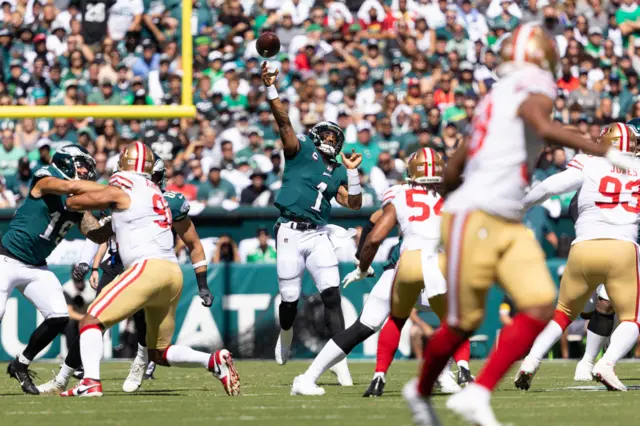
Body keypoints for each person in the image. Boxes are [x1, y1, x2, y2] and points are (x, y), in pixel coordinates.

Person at [404, 23, 640, 426]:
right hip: (478, 215)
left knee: (539, 306)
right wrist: (603, 151)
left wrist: (448, 196)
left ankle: (477, 394)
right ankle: (420, 390)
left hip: (503, 217)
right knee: (466, 322)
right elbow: (542, 125)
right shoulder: (535, 85)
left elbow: (457, 161)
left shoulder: (490, 100)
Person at [59, 143, 239, 397]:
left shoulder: (125, 186)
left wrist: (64, 194)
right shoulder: (153, 192)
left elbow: (82, 201)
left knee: (91, 321)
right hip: (172, 273)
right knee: (160, 352)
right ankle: (213, 362)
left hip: (146, 268)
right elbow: (101, 231)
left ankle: (90, 382)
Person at [290, 149, 470, 396]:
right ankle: (449, 371)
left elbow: (374, 227)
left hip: (406, 267)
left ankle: (442, 373)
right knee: (453, 318)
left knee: (368, 325)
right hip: (426, 266)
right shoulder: (448, 198)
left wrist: (362, 264)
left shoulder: (403, 193)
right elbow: (375, 224)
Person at [515, 123, 640, 392]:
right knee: (632, 319)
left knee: (562, 314)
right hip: (622, 249)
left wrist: (521, 205)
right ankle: (606, 363)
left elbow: (549, 186)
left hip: (583, 247)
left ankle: (531, 361)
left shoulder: (589, 162)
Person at [261, 61, 362, 387]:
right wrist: (271, 88)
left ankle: (340, 362)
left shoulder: (337, 171)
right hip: (290, 231)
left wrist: (355, 172)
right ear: (317, 135)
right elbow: (283, 121)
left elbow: (354, 203)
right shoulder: (300, 150)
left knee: (331, 295)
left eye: (337, 135)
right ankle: (286, 332)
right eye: (328, 134)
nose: (332, 139)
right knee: (289, 301)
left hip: (318, 234)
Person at [1, 145, 107, 395]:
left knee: (59, 317)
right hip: (6, 258)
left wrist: (111, 227)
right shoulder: (45, 177)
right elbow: (70, 187)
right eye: (81, 164)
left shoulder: (78, 200)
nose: (85, 171)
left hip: (37, 266)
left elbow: (94, 233)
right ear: (68, 163)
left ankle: (21, 364)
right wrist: (109, 192)